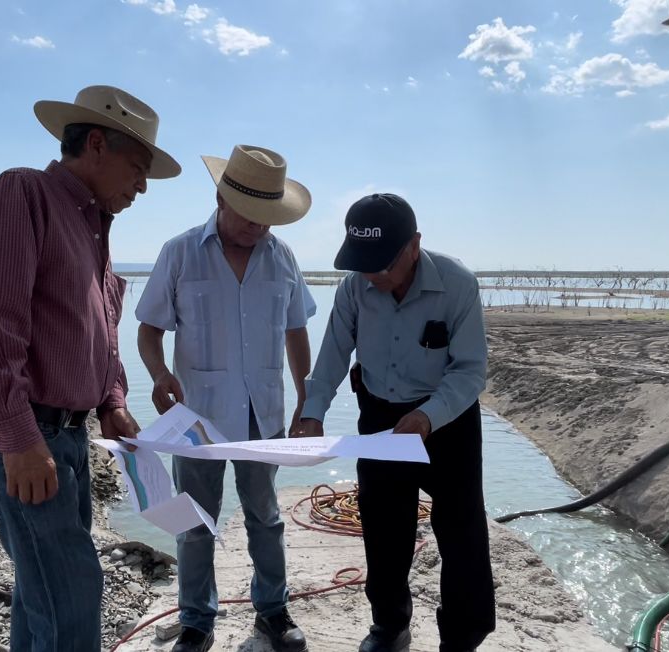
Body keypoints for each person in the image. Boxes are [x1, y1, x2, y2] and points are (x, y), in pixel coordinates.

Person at [0, 85, 180, 652]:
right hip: (30, 434)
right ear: (97, 144)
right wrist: (17, 437)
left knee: (45, 599)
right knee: (72, 594)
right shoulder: (23, 194)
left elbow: (95, 336)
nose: (142, 185)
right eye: (138, 167)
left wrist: (112, 401)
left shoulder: (93, 225)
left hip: (66, 435)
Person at [293, 193, 496, 652]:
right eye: (364, 264)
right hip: (381, 416)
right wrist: (311, 412)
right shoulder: (353, 289)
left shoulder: (458, 284)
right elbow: (330, 359)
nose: (373, 275)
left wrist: (427, 417)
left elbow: (470, 371)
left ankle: (462, 637)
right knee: (383, 524)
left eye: (382, 264)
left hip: (447, 419)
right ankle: (389, 624)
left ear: (414, 245)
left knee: (462, 528)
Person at [136, 145, 315, 652]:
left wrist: (307, 396)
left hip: (265, 415)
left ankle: (273, 612)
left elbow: (296, 331)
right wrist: (158, 373)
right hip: (196, 417)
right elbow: (149, 331)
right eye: (250, 216)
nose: (259, 227)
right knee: (192, 523)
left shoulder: (283, 258)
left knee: (266, 516)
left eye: (268, 218)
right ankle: (196, 620)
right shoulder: (180, 252)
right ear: (220, 197)